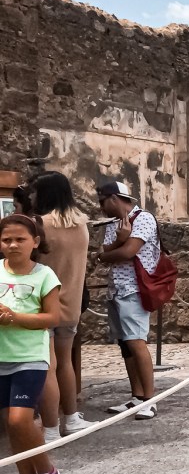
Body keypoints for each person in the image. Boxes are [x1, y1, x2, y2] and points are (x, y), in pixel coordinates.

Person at [0, 215, 62, 474]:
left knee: (20, 420)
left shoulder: (44, 276)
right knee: (11, 426)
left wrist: (15, 317)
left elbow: (52, 318)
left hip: (30, 358)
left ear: (35, 242)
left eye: (20, 239)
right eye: (6, 239)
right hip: (1, 357)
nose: (12, 245)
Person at [30, 172, 93, 436]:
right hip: (71, 305)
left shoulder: (39, 225)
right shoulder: (81, 225)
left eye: (34, 191)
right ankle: (72, 417)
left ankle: (51, 427)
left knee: (48, 366)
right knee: (66, 364)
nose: (31, 196)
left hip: (42, 305)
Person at [98, 181, 161, 420]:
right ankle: (136, 395)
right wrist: (116, 244)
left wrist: (113, 249)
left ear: (114, 198)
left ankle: (150, 399)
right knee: (125, 344)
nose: (101, 207)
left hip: (134, 288)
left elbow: (127, 252)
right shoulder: (114, 224)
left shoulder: (143, 218)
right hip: (116, 288)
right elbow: (105, 252)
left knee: (136, 341)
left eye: (103, 201)